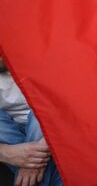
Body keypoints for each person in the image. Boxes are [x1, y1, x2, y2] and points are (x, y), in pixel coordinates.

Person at [0, 58, 63, 186]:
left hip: (51, 124)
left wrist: (33, 160)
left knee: (43, 106)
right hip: (9, 133)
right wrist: (7, 153)